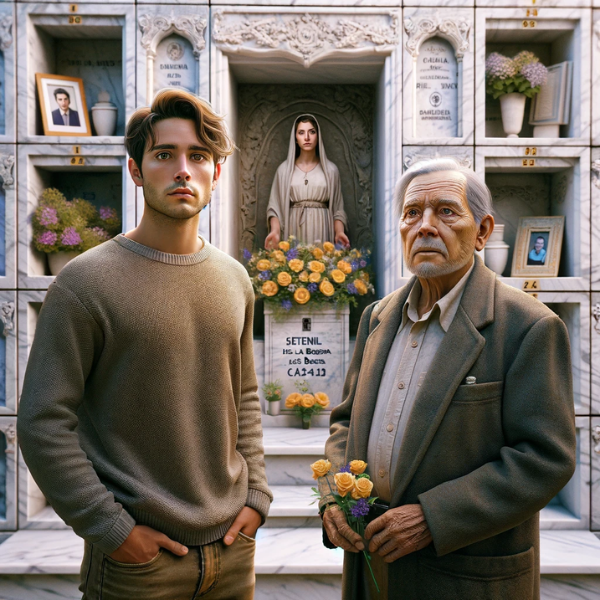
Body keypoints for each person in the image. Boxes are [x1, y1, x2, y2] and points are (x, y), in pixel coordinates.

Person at [18, 88, 272, 600]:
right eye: (164, 155)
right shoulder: (85, 283)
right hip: (140, 567)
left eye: (198, 156)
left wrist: (257, 496)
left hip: (232, 551)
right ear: (136, 171)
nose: (183, 169)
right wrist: (113, 531)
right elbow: (43, 422)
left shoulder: (234, 279)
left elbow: (242, 394)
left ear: (216, 173)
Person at [320, 158, 576, 600]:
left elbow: (545, 458)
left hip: (464, 575)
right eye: (412, 213)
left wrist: (432, 517)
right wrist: (332, 497)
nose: (425, 226)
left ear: (482, 231)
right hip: (371, 570)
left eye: (445, 211)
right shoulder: (376, 318)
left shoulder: (528, 326)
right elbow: (345, 423)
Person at [265, 114, 349, 249]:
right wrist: (275, 231)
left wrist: (339, 232)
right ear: (295, 138)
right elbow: (275, 207)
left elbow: (338, 209)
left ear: (318, 136)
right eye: (301, 132)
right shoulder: (284, 170)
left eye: (312, 132)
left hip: (321, 228)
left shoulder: (331, 170)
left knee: (321, 265)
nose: (307, 137)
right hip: (293, 227)